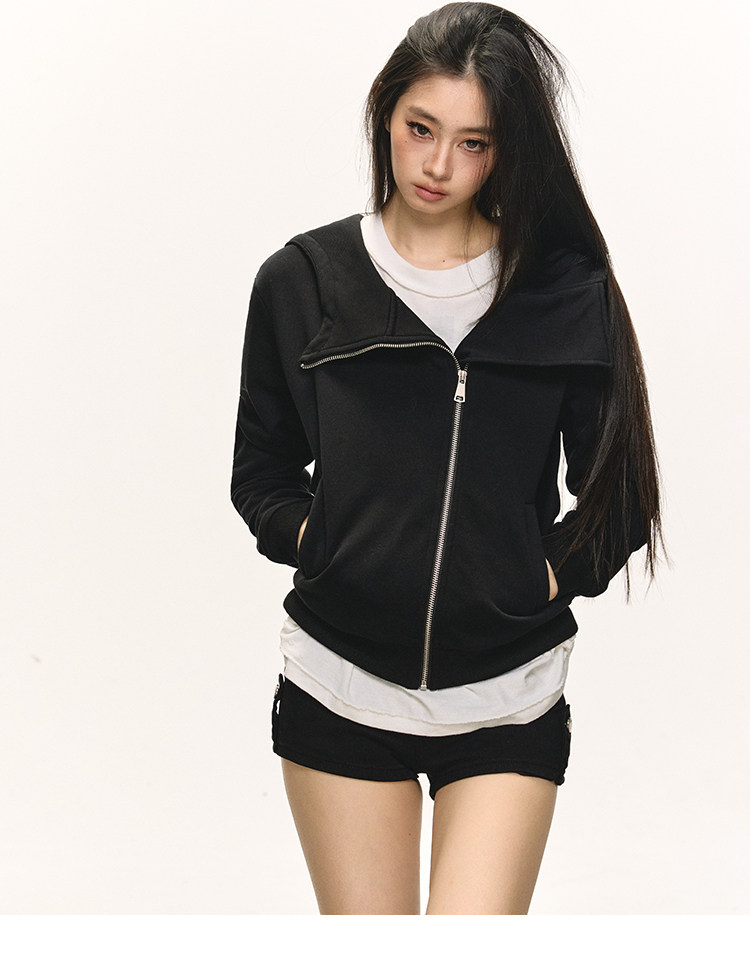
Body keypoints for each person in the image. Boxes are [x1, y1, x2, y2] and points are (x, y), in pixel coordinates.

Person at [231, 2, 663, 915]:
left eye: (474, 143)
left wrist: (542, 576)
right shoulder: (304, 281)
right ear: (384, 113)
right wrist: (326, 542)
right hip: (339, 690)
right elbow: (261, 473)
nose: (437, 165)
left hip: (508, 698)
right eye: (420, 128)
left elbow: (619, 495)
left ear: (507, 151)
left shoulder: (561, 293)